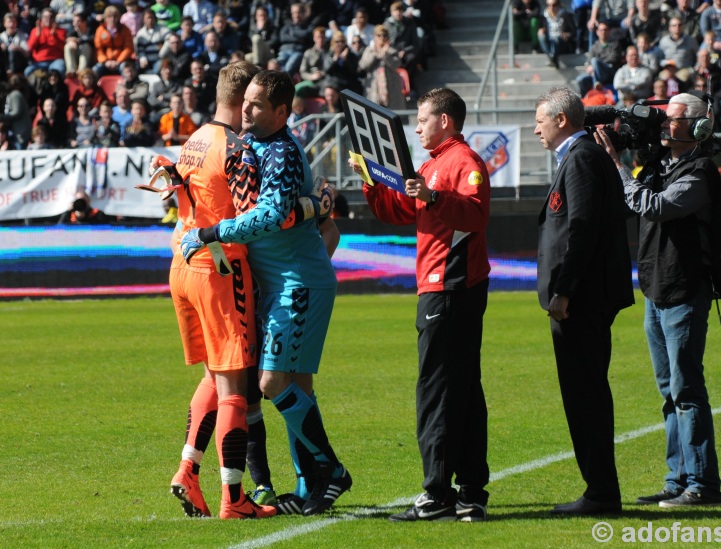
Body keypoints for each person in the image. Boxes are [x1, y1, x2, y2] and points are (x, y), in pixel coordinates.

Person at [179, 70, 350, 517]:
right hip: (276, 283)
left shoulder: (280, 153)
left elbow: (272, 216)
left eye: (255, 105)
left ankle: (330, 470)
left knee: (272, 382)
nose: (246, 111)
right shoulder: (252, 143)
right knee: (297, 387)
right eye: (246, 102)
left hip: (296, 282)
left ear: (281, 112)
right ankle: (305, 484)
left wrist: (212, 231)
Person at [596, 91, 721, 508]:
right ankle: (677, 479)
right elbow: (629, 203)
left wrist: (617, 166)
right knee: (668, 391)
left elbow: (655, 206)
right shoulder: (662, 164)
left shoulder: (699, 171)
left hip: (683, 290)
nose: (665, 124)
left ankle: (702, 484)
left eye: (674, 119)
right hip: (656, 289)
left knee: (686, 388)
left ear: (699, 127)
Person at [353, 87, 492, 522]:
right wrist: (371, 177)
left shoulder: (462, 162)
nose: (415, 126)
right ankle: (470, 490)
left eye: (422, 118)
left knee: (436, 390)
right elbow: (397, 210)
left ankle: (436, 494)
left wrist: (432, 196)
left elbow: (475, 213)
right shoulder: (433, 164)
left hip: (449, 286)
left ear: (445, 121)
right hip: (446, 287)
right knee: (464, 388)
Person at [163, 60, 277, 520]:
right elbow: (253, 220)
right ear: (244, 96)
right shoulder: (236, 148)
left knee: (213, 376)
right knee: (234, 386)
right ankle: (234, 497)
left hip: (182, 264)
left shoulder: (193, 140)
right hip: (219, 269)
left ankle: (188, 470)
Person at [533, 86, 634, 516]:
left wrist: (565, 290)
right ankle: (599, 489)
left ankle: (601, 492)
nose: (535, 127)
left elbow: (583, 229)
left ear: (561, 120)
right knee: (584, 392)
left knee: (585, 394)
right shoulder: (580, 158)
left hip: (580, 300)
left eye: (540, 119)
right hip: (582, 297)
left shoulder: (582, 159)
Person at [93, 5, 134, 77]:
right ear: (105, 18)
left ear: (118, 17)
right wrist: (105, 61)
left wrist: (118, 61)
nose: (112, 19)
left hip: (120, 61)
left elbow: (128, 48)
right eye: (109, 17)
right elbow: (99, 49)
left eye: (115, 16)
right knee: (95, 70)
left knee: (127, 71)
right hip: (106, 61)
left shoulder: (125, 30)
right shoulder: (100, 30)